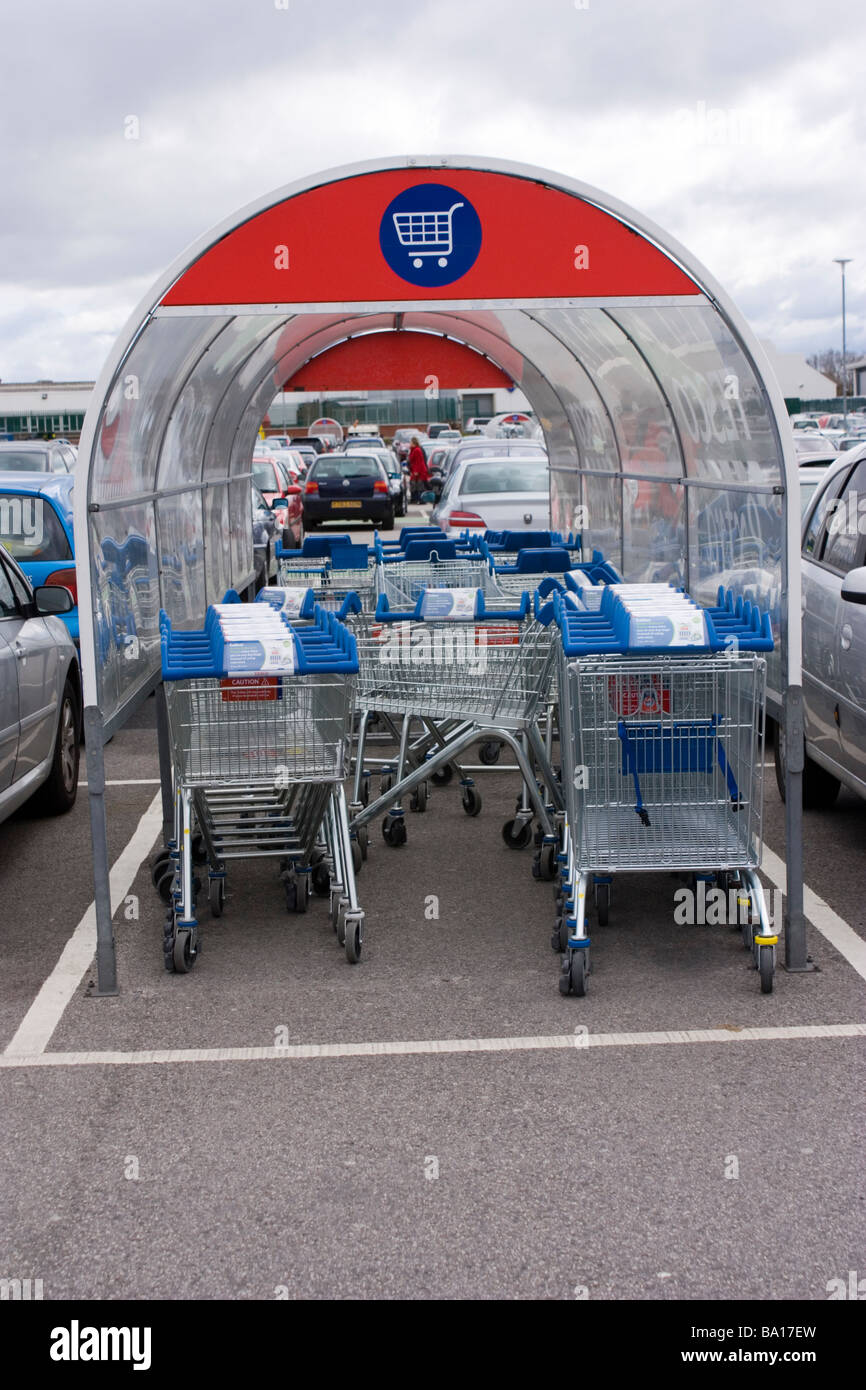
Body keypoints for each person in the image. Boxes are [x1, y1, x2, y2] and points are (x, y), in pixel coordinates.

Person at [407, 436, 429, 502]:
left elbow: (419, 462)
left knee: (419, 485)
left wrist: (416, 471)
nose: (409, 443)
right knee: (414, 484)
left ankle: (421, 499)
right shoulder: (412, 450)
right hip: (415, 470)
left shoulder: (417, 450)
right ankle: (414, 498)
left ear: (414, 443)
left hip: (420, 471)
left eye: (410, 442)